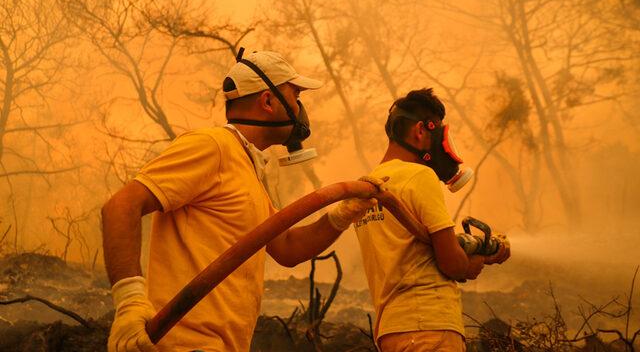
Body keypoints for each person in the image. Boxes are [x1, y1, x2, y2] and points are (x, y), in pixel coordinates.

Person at [102, 50, 381, 352]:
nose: (300, 107)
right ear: (268, 101)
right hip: (185, 344)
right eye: (295, 94)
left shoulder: (247, 166)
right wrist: (129, 302)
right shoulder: (213, 146)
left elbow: (286, 246)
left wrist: (340, 216)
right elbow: (121, 206)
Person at [353, 88, 510, 352]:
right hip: (430, 326)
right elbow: (452, 263)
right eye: (439, 135)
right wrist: (472, 263)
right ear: (420, 131)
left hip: (391, 331)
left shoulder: (366, 188)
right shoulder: (419, 177)